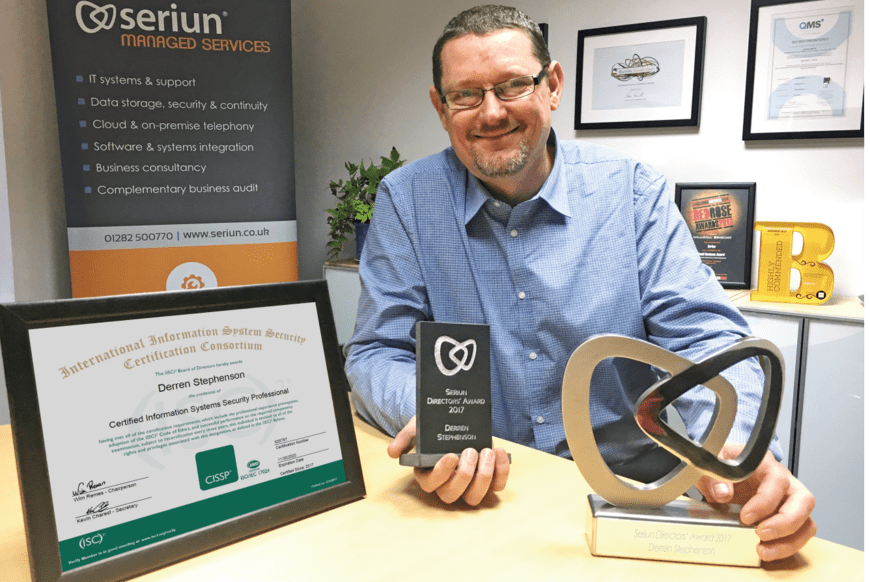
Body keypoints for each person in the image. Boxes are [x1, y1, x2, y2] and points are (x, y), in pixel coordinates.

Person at [344, 5, 816, 561]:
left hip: (633, 499)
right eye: (466, 94)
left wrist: (733, 449)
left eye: (513, 85)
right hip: (482, 496)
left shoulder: (632, 192)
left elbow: (709, 343)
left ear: (553, 86)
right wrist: (435, 418)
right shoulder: (407, 199)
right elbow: (378, 350)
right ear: (440, 106)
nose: (490, 112)